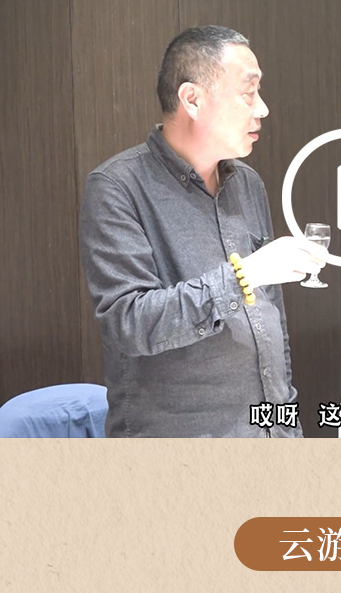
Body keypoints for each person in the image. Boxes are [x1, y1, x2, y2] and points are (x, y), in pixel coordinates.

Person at [80, 25, 326, 437]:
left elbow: (270, 320)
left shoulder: (247, 183)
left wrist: (287, 428)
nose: (263, 109)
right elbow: (130, 323)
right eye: (249, 92)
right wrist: (245, 276)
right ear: (192, 99)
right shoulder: (117, 187)